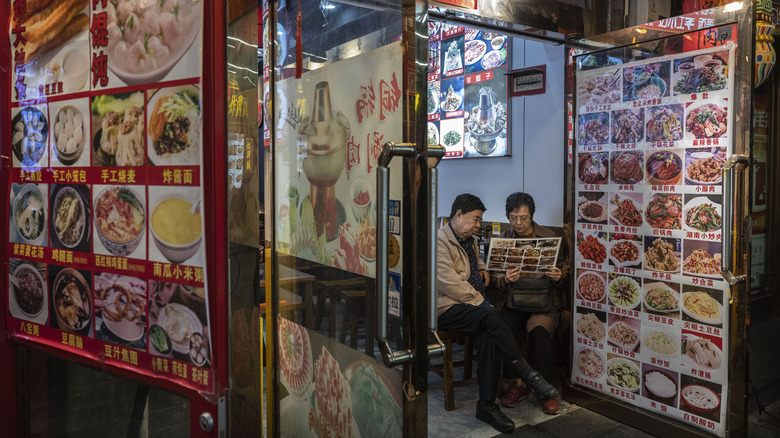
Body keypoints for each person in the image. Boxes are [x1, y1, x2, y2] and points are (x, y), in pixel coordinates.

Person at [436, 193, 558, 434]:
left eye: (479, 220)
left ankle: (486, 404)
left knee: (489, 333)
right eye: (476, 220)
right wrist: (483, 302)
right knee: (492, 318)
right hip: (448, 307)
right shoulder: (440, 241)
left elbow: (479, 263)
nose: (478, 225)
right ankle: (529, 375)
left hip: (479, 306)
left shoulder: (467, 238)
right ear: (458, 215)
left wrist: (482, 270)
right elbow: (450, 285)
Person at [488, 192, 569, 415]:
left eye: (523, 218)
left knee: (539, 330)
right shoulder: (504, 239)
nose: (519, 223)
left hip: (542, 301)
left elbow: (563, 272)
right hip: (513, 300)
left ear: (532, 216)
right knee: (502, 326)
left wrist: (557, 275)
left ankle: (546, 390)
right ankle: (517, 384)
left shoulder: (549, 236)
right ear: (508, 216)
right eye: (514, 218)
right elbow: (494, 274)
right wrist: (504, 279)